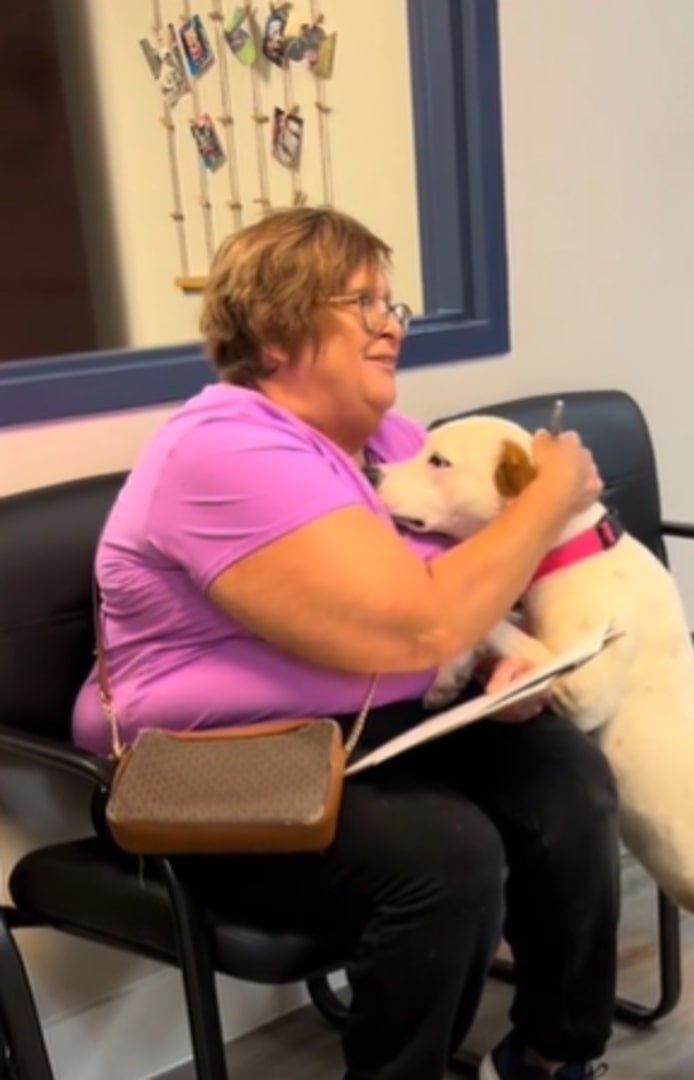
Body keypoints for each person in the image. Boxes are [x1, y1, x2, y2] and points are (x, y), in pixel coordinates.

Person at [73, 207, 619, 1080]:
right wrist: (545, 505)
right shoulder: (221, 450)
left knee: (568, 783)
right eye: (360, 302)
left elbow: (457, 602)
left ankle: (553, 1055)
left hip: (366, 726)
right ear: (278, 328)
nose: (389, 324)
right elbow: (415, 620)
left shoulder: (393, 444)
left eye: (389, 302)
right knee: (446, 855)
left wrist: (497, 653)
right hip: (213, 768)